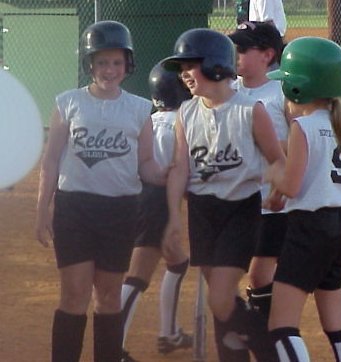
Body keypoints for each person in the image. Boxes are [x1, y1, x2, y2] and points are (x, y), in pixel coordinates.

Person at [35, 21, 165, 362]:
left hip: (120, 211)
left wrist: (176, 175)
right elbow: (50, 162)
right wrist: (41, 212)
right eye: (102, 62)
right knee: (74, 294)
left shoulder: (139, 109)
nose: (109, 70)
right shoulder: (68, 103)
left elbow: (147, 164)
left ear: (127, 65)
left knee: (109, 296)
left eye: (116, 63)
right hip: (74, 209)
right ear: (90, 64)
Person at [161, 28, 286, 362]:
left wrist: (278, 189)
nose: (185, 75)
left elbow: (277, 160)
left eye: (192, 66)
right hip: (203, 211)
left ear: (217, 65)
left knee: (219, 298)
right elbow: (179, 169)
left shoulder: (250, 110)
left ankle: (274, 353)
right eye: (182, 69)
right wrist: (173, 218)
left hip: (240, 210)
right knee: (224, 303)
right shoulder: (186, 113)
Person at [266, 37, 341, 361]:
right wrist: (334, 227)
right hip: (340, 226)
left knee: (281, 326)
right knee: (335, 322)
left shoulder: (303, 127)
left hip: (308, 229)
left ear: (296, 89)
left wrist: (273, 177)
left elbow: (292, 185)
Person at [120, 62, 192, 362]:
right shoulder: (184, 123)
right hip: (156, 203)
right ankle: (113, 346)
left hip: (139, 199)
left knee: (177, 264)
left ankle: (168, 333)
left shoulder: (148, 120)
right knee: (137, 277)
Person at [228, 21, 288, 319]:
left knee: (259, 275)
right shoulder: (229, 91)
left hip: (270, 204)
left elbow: (295, 148)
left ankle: (271, 334)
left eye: (242, 49)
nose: (234, 54)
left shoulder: (280, 95)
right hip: (236, 202)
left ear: (267, 55)